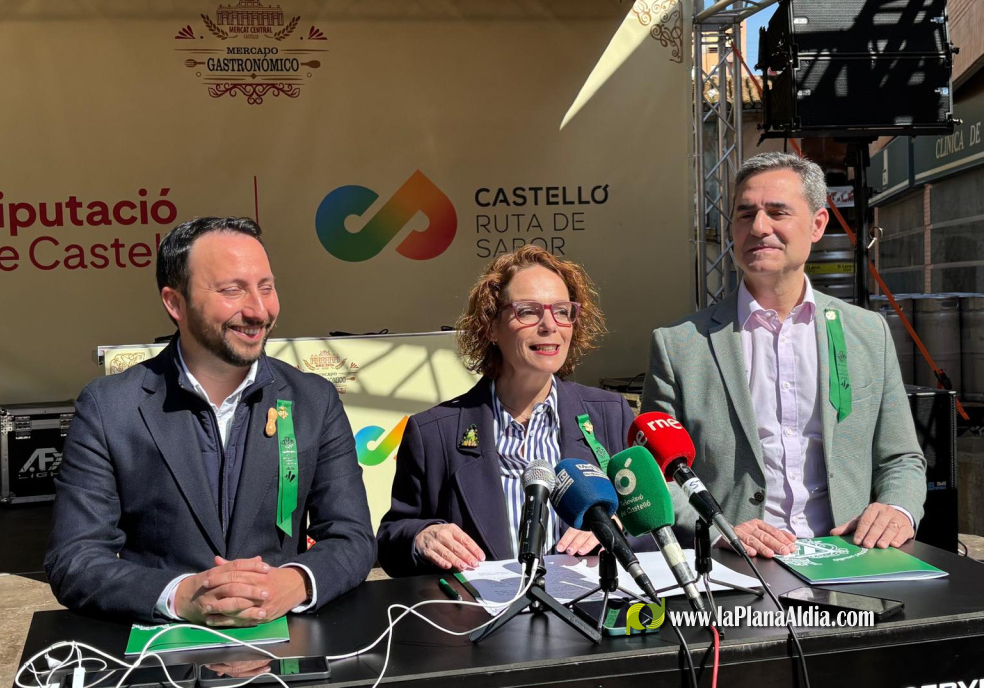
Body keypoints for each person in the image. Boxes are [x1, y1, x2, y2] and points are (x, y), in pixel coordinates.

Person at [45, 216, 375, 624]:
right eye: (232, 290)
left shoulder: (313, 400)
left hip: (286, 643)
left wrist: (294, 582)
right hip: (161, 647)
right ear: (175, 303)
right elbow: (74, 558)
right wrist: (178, 596)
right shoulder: (110, 408)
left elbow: (352, 537)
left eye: (266, 287)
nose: (258, 310)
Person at [642, 152, 926, 558]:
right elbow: (656, 475)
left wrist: (897, 508)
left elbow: (901, 457)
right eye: (745, 214)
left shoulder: (867, 332)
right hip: (738, 568)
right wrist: (718, 531)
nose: (759, 227)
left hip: (850, 558)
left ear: (817, 224)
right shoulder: (680, 346)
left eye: (777, 212)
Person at [377, 246, 636, 577]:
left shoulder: (609, 415)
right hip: (479, 609)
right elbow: (391, 539)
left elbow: (646, 522)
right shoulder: (433, 433)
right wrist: (422, 537)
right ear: (491, 327)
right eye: (528, 311)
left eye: (562, 311)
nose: (549, 325)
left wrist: (615, 527)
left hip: (588, 604)